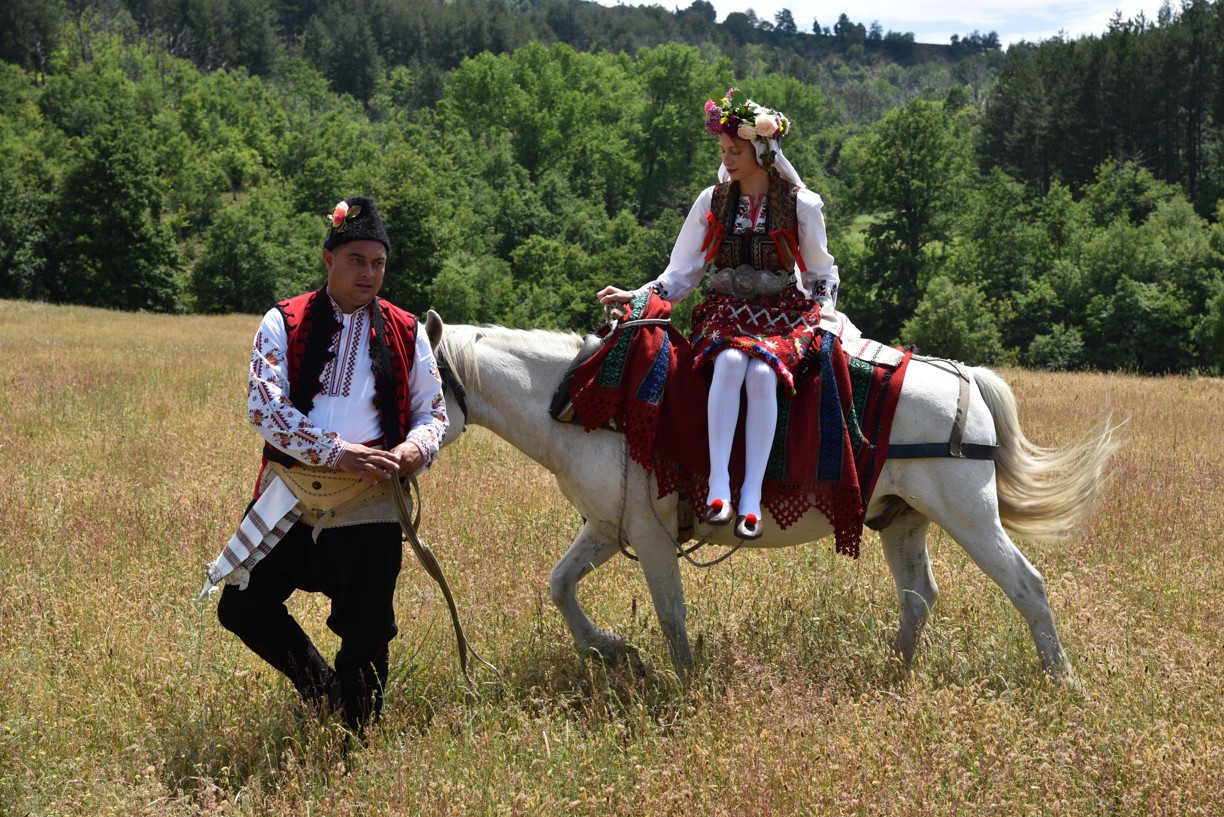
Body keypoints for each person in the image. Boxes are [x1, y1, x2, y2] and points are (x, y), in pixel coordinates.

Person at [207, 195, 448, 735]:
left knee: (367, 634)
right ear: (328, 258)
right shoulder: (282, 320)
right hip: (290, 491)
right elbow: (264, 407)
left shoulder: (406, 329)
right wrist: (339, 452)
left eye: (378, 263)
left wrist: (414, 450)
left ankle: (355, 737)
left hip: (372, 502)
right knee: (242, 607)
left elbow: (433, 413)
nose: (369, 273)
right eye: (357, 260)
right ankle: (322, 691)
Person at [597, 89, 839, 542]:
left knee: (764, 374)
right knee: (730, 363)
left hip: (782, 313)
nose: (727, 159)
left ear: (762, 151)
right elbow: (683, 272)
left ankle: (751, 496)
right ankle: (719, 488)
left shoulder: (801, 205)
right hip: (725, 310)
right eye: (724, 151)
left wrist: (825, 313)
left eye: (736, 150)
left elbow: (820, 273)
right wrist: (639, 294)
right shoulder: (712, 201)